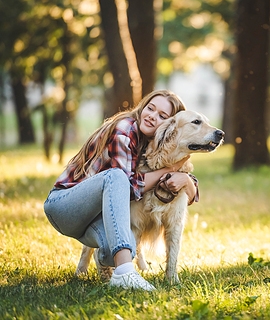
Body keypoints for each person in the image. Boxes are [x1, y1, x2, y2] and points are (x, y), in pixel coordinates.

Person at [44, 90, 197, 291]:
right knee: (116, 177)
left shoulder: (150, 143)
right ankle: (125, 274)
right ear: (143, 107)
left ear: (170, 128)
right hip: (64, 207)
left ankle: (112, 268)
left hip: (91, 218)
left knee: (117, 249)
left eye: (162, 116)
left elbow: (188, 190)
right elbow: (128, 189)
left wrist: (184, 179)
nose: (152, 116)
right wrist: (169, 171)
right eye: (150, 108)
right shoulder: (124, 130)